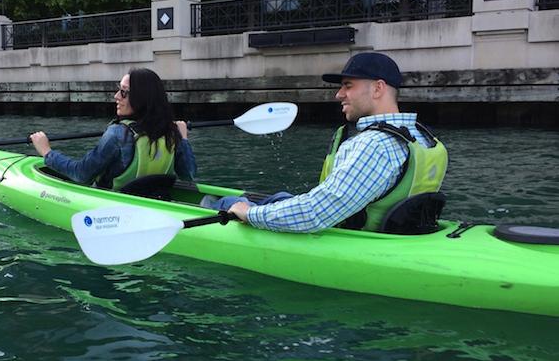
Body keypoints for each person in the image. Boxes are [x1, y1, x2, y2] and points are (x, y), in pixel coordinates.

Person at [212, 52, 448, 233]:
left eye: (348, 86)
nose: (338, 94)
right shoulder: (420, 136)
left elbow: (316, 213)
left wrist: (249, 214)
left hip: (349, 237)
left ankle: (214, 206)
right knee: (279, 197)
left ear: (378, 88)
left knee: (230, 202)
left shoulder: (375, 145)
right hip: (402, 231)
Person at [30, 68, 196, 190]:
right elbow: (189, 175)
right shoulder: (171, 132)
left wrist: (47, 152)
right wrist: (184, 139)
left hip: (115, 208)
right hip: (156, 200)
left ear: (141, 98)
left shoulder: (118, 134)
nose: (116, 96)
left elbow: (81, 175)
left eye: (124, 92)